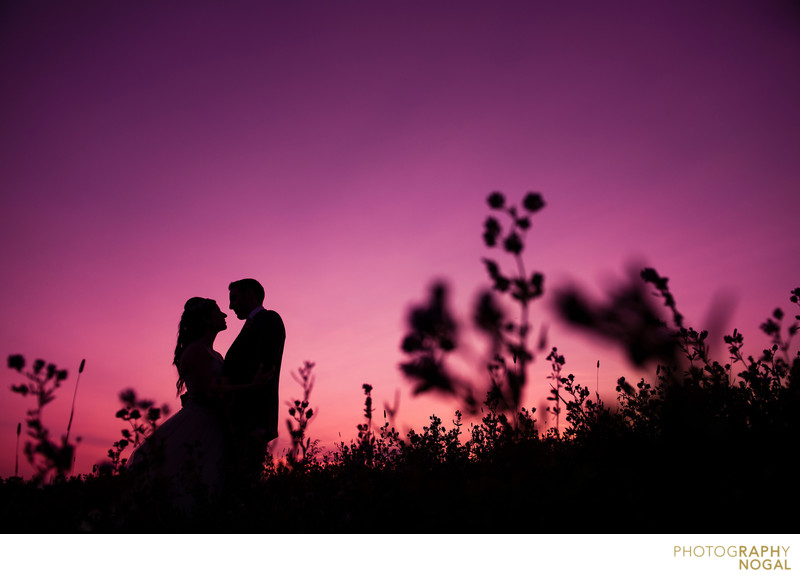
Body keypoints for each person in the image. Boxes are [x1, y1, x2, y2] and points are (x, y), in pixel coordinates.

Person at [128, 297, 270, 509]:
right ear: (205, 319)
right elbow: (209, 390)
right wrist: (252, 386)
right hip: (200, 421)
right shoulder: (195, 351)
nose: (224, 315)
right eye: (218, 312)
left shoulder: (216, 354)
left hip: (216, 423)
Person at [223, 278, 286, 488]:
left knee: (244, 481)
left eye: (234, 298)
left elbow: (262, 367)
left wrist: (224, 388)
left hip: (252, 413)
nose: (231, 305)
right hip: (239, 416)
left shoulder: (270, 320)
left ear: (250, 294)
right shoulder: (250, 326)